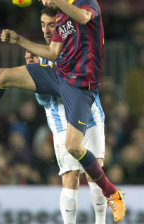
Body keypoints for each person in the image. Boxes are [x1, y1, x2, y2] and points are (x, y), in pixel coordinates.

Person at [0, 0, 125, 222]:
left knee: (74, 147)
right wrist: (19, 40)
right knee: (2, 75)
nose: (43, 2)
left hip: (81, 87)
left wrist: (58, 2)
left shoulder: (86, 3)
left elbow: (83, 18)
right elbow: (54, 53)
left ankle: (112, 192)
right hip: (59, 76)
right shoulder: (61, 17)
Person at [25, 7, 107, 224]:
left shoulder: (77, 48)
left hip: (89, 116)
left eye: (51, 24)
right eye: (42, 25)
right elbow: (43, 101)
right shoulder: (39, 56)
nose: (46, 30)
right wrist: (34, 75)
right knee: (70, 177)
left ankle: (101, 221)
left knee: (94, 174)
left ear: (61, 25)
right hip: (60, 122)